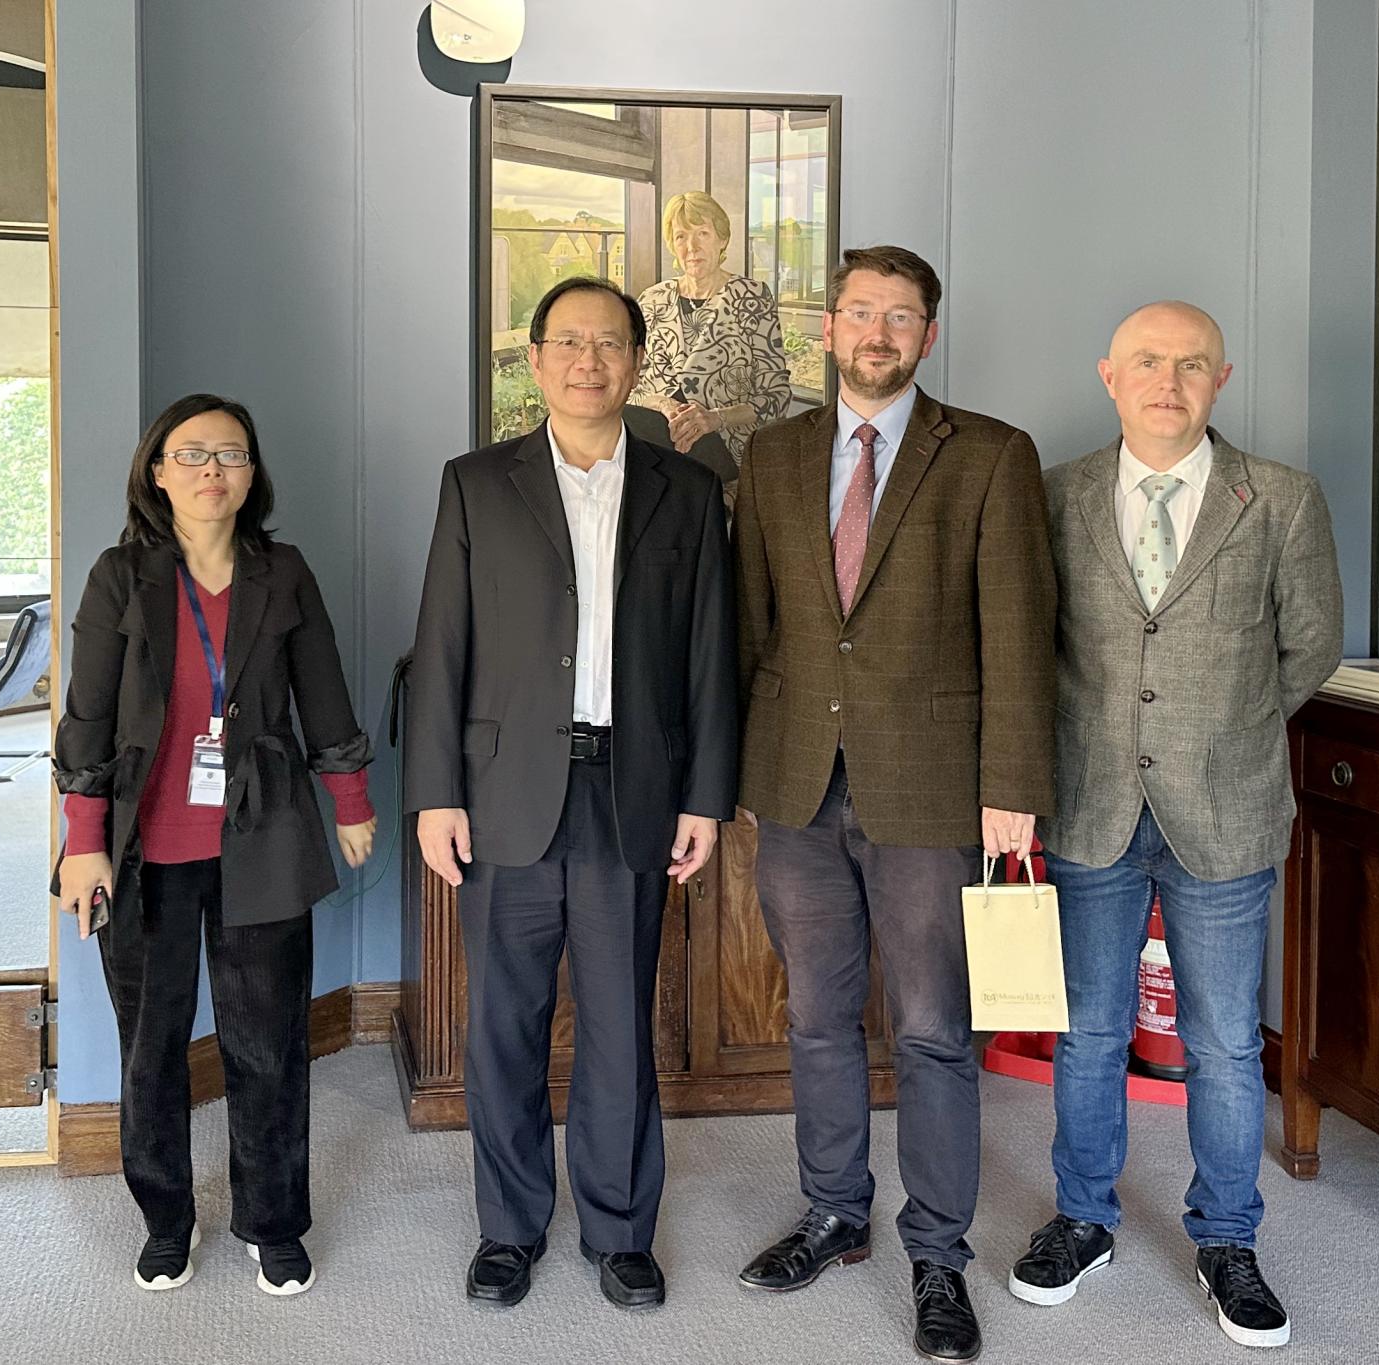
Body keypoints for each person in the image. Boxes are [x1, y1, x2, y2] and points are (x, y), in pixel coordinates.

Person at [732, 245, 1057, 1364]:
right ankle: (833, 1213)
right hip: (795, 785)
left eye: (901, 316)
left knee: (931, 1029)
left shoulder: (991, 455)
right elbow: (752, 625)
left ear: (927, 335)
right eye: (860, 311)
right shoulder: (773, 455)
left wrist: (1012, 789)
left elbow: (1020, 634)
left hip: (933, 790)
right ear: (828, 327)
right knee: (816, 1019)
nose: (878, 332)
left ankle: (936, 1253)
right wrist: (739, 776)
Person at [1009, 302, 1341, 1350]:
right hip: (1090, 804)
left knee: (1226, 1042)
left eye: (1191, 364)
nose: (1169, 380)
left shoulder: (1280, 497)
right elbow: (1026, 643)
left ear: (1220, 379)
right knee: (1088, 1032)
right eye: (1147, 362)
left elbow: (1312, 644)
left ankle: (1228, 1240)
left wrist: (1224, 727)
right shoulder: (1052, 494)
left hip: (1226, 808)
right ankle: (1082, 1220)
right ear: (1109, 376)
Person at [405, 276, 738, 1311]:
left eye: (608, 343)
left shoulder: (686, 492)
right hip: (503, 792)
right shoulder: (477, 482)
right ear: (538, 358)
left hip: (631, 788)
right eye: (568, 342)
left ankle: (620, 1228)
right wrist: (433, 793)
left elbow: (709, 652)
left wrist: (705, 796)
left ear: (635, 360)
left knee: (619, 1025)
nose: (588, 361)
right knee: (501, 1025)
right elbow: (441, 644)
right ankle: (508, 1229)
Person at [52, 393, 377, 1298]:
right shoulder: (120, 576)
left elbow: (324, 688)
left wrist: (350, 800)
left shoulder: (285, 570)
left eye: (230, 454)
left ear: (251, 474)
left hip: (261, 835)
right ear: (158, 472)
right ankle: (166, 1219)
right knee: (150, 1048)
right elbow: (86, 717)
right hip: (140, 851)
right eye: (191, 454)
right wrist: (83, 841)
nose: (211, 470)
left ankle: (273, 1222)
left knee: (268, 1044)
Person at [634, 190, 792, 474]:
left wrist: (715, 418)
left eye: (703, 234)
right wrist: (664, 405)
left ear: (722, 239)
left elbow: (776, 396)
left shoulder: (751, 297)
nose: (691, 247)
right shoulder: (651, 300)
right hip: (655, 448)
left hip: (726, 454)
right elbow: (629, 387)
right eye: (681, 236)